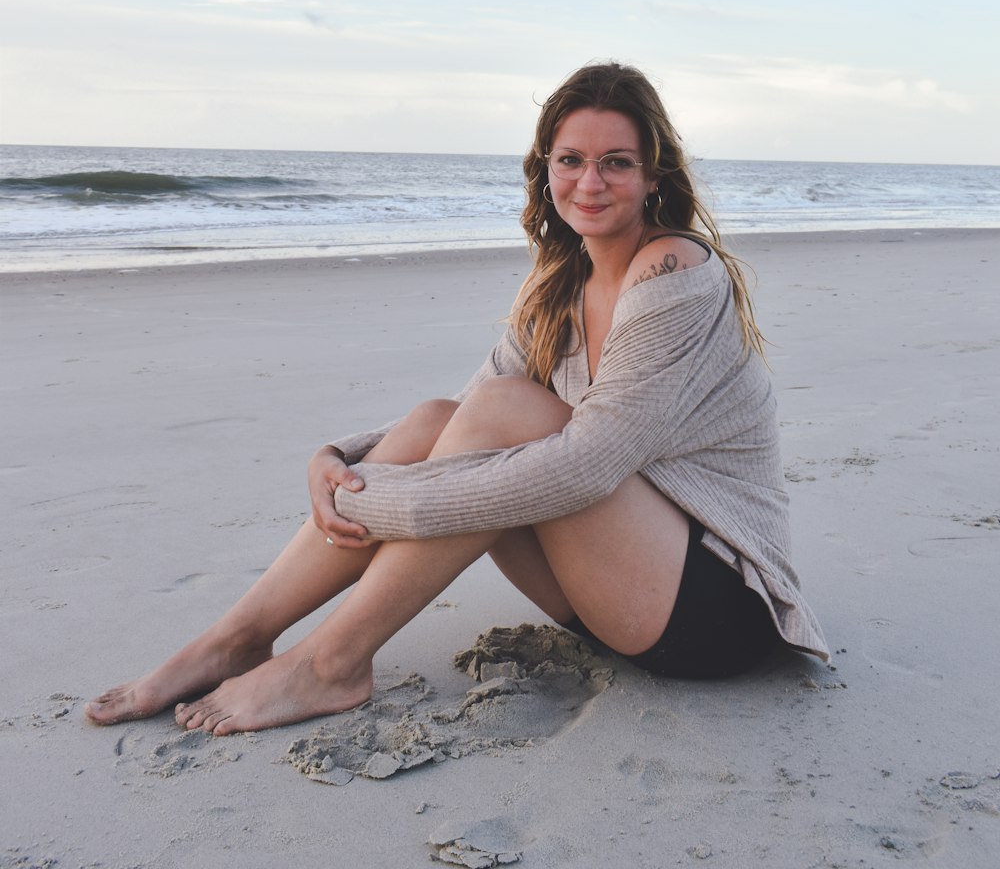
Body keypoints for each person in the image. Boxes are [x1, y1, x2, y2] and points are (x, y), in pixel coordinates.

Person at [86, 62, 828, 737]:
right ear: (545, 171)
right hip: (612, 600)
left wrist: (382, 503)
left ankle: (332, 662)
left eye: (616, 163)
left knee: (511, 414)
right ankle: (235, 639)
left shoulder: (674, 273)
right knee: (443, 418)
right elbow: (461, 414)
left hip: (713, 609)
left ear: (654, 176)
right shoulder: (558, 287)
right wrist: (342, 458)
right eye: (570, 161)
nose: (590, 182)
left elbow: (588, 467)